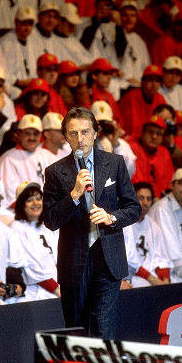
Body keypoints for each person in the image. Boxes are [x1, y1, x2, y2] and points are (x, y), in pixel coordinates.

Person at [41, 106, 141, 339]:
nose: (80, 139)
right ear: (65, 136)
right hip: (74, 261)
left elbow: (134, 208)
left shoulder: (115, 163)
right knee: (77, 331)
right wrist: (74, 195)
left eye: (85, 132)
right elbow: (51, 220)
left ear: (96, 133)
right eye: (73, 133)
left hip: (109, 259)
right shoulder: (55, 172)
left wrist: (111, 217)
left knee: (103, 329)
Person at [10, 181, 61, 302]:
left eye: (38, 198)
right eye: (29, 200)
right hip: (34, 294)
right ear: (21, 204)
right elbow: (30, 266)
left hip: (57, 289)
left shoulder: (46, 226)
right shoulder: (16, 228)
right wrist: (56, 289)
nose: (36, 203)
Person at [0, 113, 47, 211]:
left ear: (41, 135)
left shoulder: (45, 155)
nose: (32, 138)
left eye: (35, 134)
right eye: (27, 133)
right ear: (19, 134)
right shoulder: (8, 158)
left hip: (43, 210)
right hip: (18, 213)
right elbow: (10, 197)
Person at [127, 181, 173, 287]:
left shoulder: (153, 225)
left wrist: (165, 279)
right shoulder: (124, 223)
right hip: (130, 277)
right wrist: (152, 279)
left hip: (152, 278)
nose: (145, 202)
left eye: (148, 199)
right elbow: (128, 260)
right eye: (141, 198)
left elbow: (162, 257)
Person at [128, 114, 175, 200]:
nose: (154, 137)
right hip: (136, 199)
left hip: (160, 201)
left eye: (158, 133)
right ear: (142, 133)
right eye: (150, 132)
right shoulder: (131, 148)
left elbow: (169, 182)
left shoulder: (164, 153)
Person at [0, 6, 44, 94]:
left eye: (30, 24)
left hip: (32, 83)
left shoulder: (35, 41)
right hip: (13, 84)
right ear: (16, 22)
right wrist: (17, 81)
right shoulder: (5, 42)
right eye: (24, 23)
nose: (27, 27)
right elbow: (2, 69)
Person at [118, 64, 168, 141]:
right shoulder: (132, 97)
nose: (154, 84)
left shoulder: (160, 99)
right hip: (133, 139)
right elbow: (131, 129)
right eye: (150, 80)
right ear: (143, 82)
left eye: (157, 81)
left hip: (152, 139)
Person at [90, 100, 136, 178]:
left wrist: (115, 144)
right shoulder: (83, 143)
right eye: (99, 124)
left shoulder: (122, 144)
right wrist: (92, 138)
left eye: (106, 123)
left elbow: (129, 171)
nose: (102, 127)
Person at [116, 0, 152, 94]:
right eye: (125, 15)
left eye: (133, 15)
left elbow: (146, 67)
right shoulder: (113, 34)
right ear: (119, 16)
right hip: (121, 85)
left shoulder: (140, 41)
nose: (129, 19)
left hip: (139, 87)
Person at [152, 103, 182, 172]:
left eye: (165, 121)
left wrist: (172, 147)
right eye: (159, 121)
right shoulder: (150, 141)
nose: (162, 125)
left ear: (174, 120)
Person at [87, 57, 125, 130]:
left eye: (110, 74)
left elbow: (119, 121)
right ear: (94, 76)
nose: (109, 77)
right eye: (105, 73)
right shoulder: (85, 94)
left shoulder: (109, 95)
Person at [52, 3, 90, 70]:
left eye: (75, 25)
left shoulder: (73, 39)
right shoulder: (51, 40)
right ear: (60, 21)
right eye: (70, 25)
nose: (73, 29)